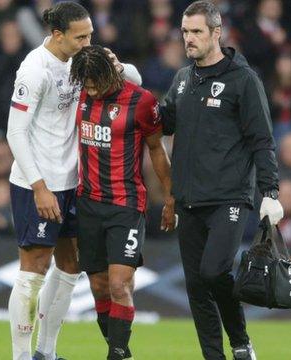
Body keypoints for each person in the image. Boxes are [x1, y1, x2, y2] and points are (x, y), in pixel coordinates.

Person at [4, 3, 142, 360]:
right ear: (57, 35)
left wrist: (115, 65)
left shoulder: (84, 61)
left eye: (91, 34)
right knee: (33, 270)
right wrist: (38, 186)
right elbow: (14, 132)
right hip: (37, 183)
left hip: (74, 183)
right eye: (81, 37)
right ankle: (20, 357)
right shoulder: (34, 70)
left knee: (69, 267)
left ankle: (46, 353)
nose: (88, 42)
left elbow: (136, 81)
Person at [160, 2, 284, 359]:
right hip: (189, 198)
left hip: (228, 197)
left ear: (217, 33)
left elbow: (262, 139)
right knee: (197, 287)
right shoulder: (182, 79)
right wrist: (134, 92)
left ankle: (241, 343)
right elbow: (165, 122)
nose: (189, 39)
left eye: (197, 31)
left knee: (214, 272)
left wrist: (270, 191)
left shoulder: (243, 80)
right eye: (184, 32)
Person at [69, 45, 175, 360]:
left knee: (119, 284)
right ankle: (121, 351)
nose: (89, 89)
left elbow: (156, 149)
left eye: (93, 83)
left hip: (125, 205)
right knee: (99, 287)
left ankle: (117, 354)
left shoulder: (141, 102)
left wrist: (170, 195)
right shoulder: (81, 93)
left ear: (111, 74)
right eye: (84, 84)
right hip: (87, 203)